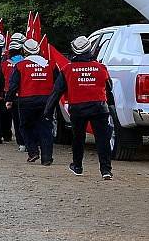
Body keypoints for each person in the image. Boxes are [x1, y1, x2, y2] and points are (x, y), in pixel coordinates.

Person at [45, 36, 113, 180]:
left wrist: (48, 111)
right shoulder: (101, 67)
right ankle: (106, 170)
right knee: (102, 139)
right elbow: (109, 88)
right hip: (100, 107)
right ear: (89, 49)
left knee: (78, 138)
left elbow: (56, 92)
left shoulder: (67, 69)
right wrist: (110, 106)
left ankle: (77, 166)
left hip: (78, 108)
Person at [6, 39, 56, 165]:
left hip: (26, 101)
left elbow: (13, 85)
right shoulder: (50, 64)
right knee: (46, 128)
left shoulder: (20, 65)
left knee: (25, 127)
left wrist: (9, 99)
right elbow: (58, 83)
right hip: (46, 101)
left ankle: (33, 151)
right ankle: (47, 158)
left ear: (25, 51)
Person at [0, 38, 27, 152]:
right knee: (26, 119)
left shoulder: (4, 64)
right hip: (24, 94)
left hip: (10, 94)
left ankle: (21, 143)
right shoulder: (25, 62)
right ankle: (29, 140)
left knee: (15, 119)